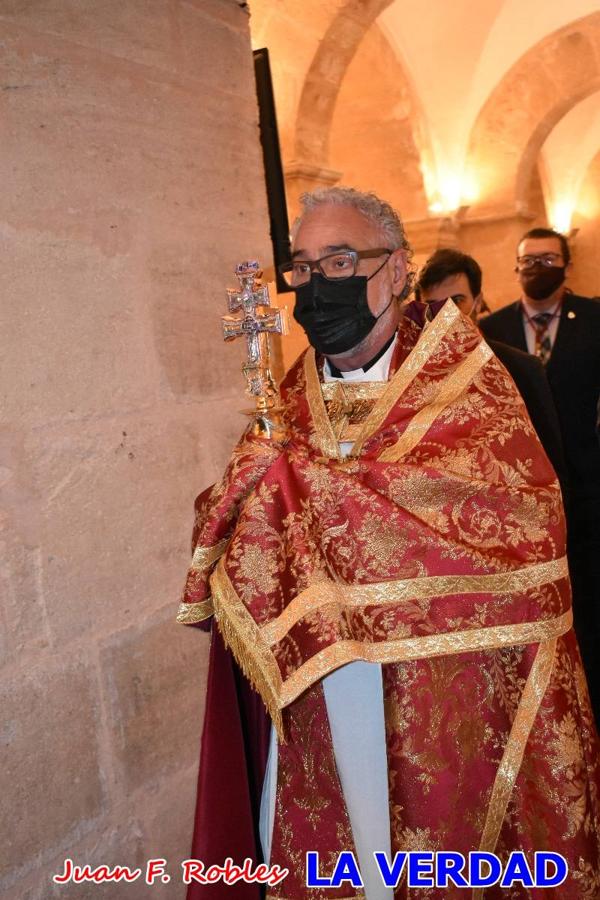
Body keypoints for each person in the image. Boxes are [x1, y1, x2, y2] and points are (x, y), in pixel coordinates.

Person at [178, 191, 600, 900]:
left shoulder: (495, 382)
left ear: (398, 269)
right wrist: (241, 500)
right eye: (304, 269)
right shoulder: (283, 405)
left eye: (341, 260)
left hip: (457, 709)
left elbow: (537, 537)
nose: (318, 286)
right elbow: (248, 562)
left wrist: (323, 501)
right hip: (322, 703)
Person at [480, 228, 600, 724]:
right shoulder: (494, 327)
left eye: (548, 258)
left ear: (566, 264)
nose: (538, 267)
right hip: (527, 489)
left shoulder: (594, 317)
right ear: (515, 267)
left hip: (589, 479)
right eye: (528, 260)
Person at [416, 248, 567, 490]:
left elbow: (551, 464)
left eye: (457, 301)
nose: (446, 313)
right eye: (433, 304)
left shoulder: (521, 368)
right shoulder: (409, 375)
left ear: (477, 300)